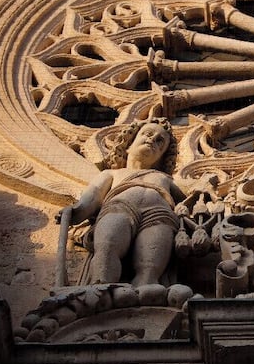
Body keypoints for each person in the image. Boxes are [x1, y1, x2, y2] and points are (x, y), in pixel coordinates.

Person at [57, 118, 185, 286]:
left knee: (151, 264)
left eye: (160, 141)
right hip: (119, 208)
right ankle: (100, 288)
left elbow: (187, 195)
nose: (153, 140)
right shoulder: (112, 174)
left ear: (162, 156)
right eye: (148, 134)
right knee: (107, 247)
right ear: (129, 144)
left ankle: (146, 293)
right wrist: (79, 210)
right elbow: (94, 194)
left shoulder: (165, 178)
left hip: (159, 216)